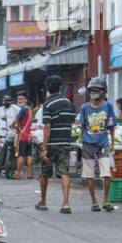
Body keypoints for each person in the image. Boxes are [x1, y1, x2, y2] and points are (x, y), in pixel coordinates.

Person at [37, 75, 75, 214]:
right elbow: (71, 123)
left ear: (47, 89)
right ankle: (65, 203)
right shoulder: (68, 102)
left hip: (52, 142)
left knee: (45, 173)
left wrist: (44, 147)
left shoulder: (47, 104)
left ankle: (43, 202)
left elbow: (47, 126)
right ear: (60, 87)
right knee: (64, 172)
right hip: (65, 141)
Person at [78, 77, 116, 212]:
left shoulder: (108, 106)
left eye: (97, 90)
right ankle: (94, 201)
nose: (94, 92)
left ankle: (106, 200)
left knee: (106, 173)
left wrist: (113, 143)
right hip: (88, 143)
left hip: (104, 142)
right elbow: (82, 125)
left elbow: (112, 126)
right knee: (89, 174)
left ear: (103, 92)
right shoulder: (84, 108)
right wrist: (80, 141)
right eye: (92, 90)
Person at [0, 93, 19, 178]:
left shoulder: (15, 108)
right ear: (2, 101)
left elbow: (21, 115)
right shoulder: (0, 110)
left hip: (12, 132)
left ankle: (14, 168)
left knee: (14, 151)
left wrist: (17, 123)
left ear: (11, 101)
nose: (6, 102)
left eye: (8, 100)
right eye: (5, 100)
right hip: (2, 133)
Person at [12, 90, 33, 179]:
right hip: (29, 136)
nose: (19, 101)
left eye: (21, 99)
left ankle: (18, 173)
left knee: (20, 155)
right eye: (18, 99)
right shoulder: (29, 110)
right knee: (29, 155)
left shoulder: (23, 110)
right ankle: (29, 174)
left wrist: (12, 124)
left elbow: (16, 120)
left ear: (26, 100)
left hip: (22, 136)